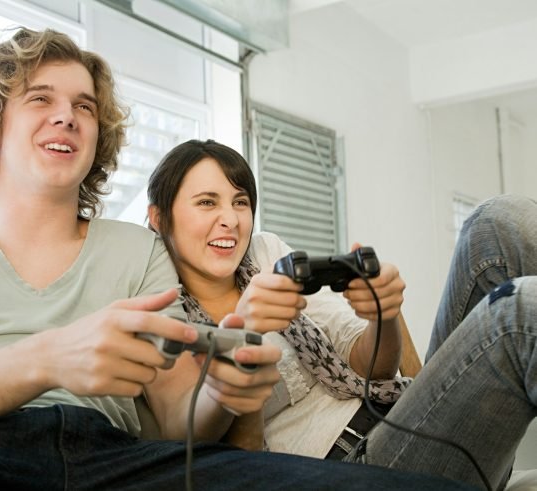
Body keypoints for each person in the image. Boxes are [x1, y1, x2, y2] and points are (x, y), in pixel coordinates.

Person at [0, 27, 472, 491]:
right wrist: (45, 358)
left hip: (116, 458)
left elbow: (178, 422)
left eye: (84, 106)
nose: (66, 116)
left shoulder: (136, 250)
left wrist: (226, 387)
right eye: (40, 99)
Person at [146, 139, 537, 491]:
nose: (230, 219)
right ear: (159, 218)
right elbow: (213, 455)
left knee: (499, 220)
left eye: (240, 201)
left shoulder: (264, 255)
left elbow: (374, 370)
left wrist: (382, 316)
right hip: (351, 471)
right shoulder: (159, 307)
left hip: (403, 417)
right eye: (207, 202)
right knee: (518, 312)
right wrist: (244, 337)